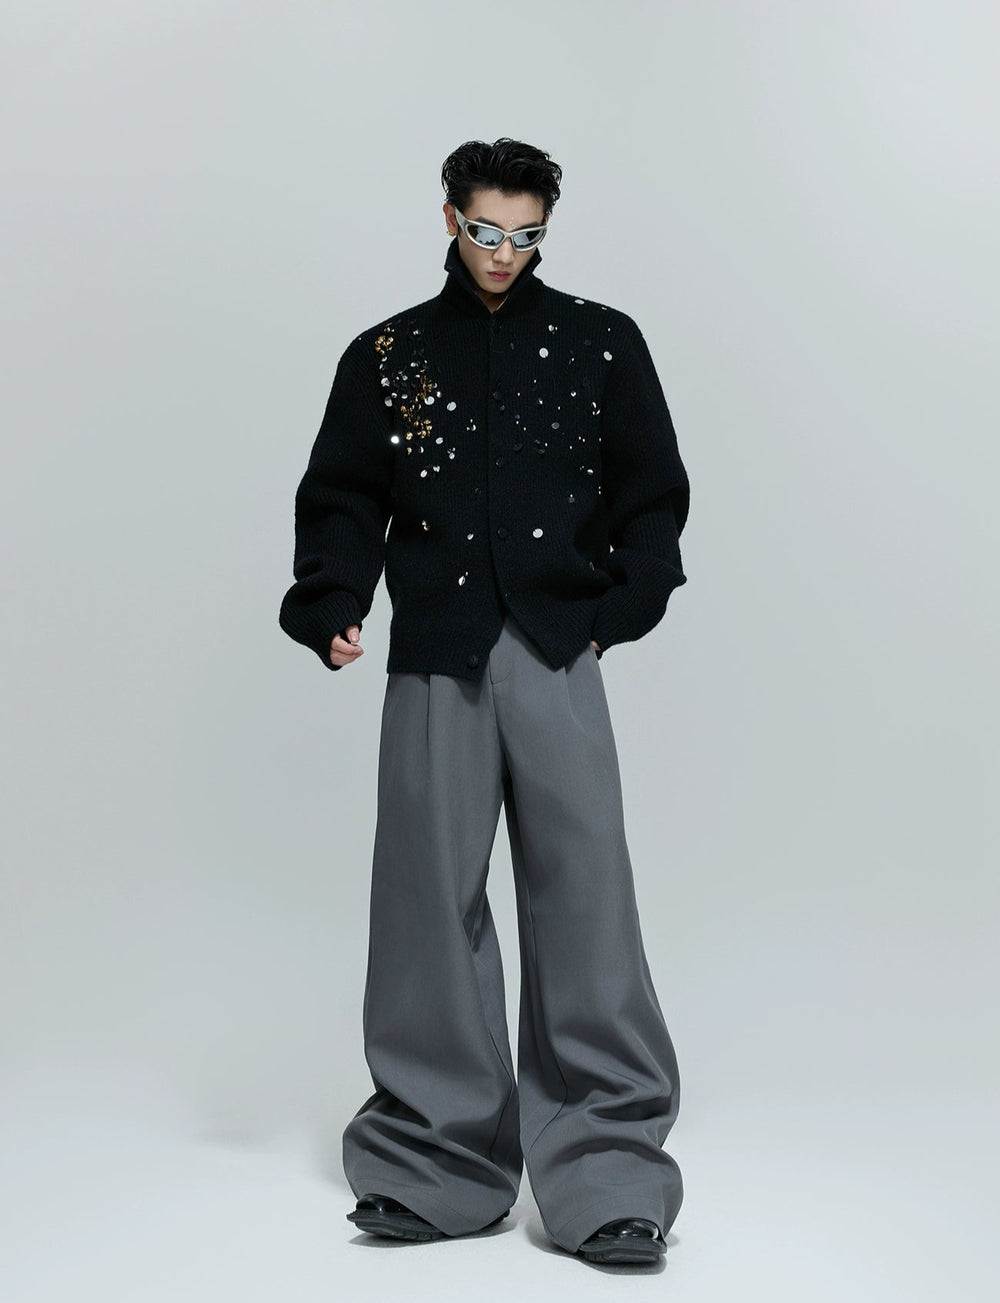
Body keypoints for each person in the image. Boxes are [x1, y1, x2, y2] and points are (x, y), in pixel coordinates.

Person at [278, 137, 690, 1267]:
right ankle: (434, 1160)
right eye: (485, 231)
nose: (503, 253)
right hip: (434, 658)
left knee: (585, 896)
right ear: (451, 219)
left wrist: (623, 603)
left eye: (526, 235)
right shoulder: (389, 354)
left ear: (544, 230)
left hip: (557, 651)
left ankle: (608, 1171)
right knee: (425, 899)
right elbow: (343, 495)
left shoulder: (601, 342)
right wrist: (331, 599)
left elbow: (652, 489)